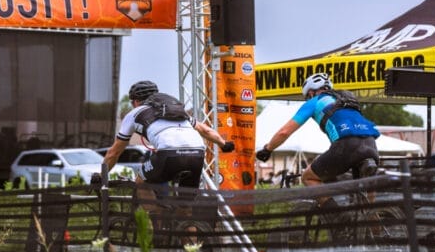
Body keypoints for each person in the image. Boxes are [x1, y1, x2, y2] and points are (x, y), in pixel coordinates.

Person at [255, 73, 379, 204]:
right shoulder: (348, 100)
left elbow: (284, 132)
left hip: (346, 145)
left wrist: (268, 149)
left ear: (312, 93)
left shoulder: (314, 102)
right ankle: (374, 217)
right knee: (367, 187)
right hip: (371, 144)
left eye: (307, 96)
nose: (308, 99)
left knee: (308, 177)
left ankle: (339, 216)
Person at [102, 80, 233, 189]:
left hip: (168, 153)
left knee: (141, 184)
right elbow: (206, 131)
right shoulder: (173, 110)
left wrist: (101, 176)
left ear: (136, 101)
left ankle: (157, 219)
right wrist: (224, 144)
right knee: (186, 200)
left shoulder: (133, 114)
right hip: (197, 153)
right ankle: (186, 218)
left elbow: (114, 153)